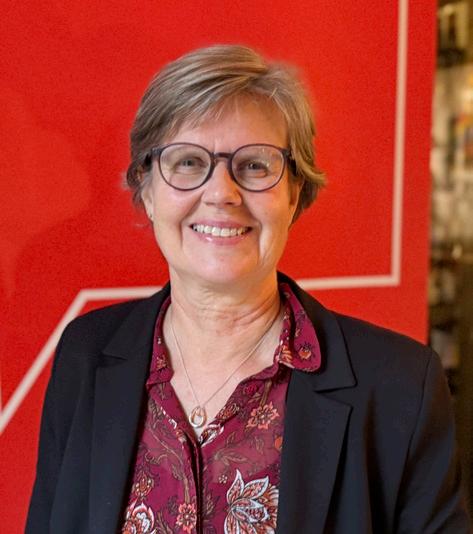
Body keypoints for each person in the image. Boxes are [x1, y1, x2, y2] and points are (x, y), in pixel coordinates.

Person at [26, 45, 470, 534]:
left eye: (255, 166)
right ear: (147, 190)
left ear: (294, 193)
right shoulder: (86, 354)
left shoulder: (400, 386)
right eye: (188, 162)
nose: (221, 193)